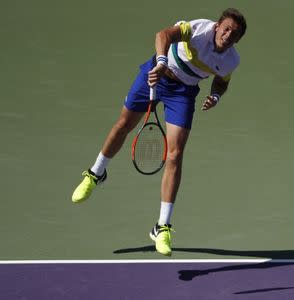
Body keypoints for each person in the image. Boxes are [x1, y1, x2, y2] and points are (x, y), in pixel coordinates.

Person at [71, 8, 247, 256]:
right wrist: (162, 62)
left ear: (237, 40)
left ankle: (162, 226)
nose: (228, 35)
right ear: (217, 26)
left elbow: (221, 79)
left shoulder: (232, 60)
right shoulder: (197, 29)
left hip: (183, 93)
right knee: (123, 125)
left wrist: (216, 95)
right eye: (226, 28)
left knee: (175, 154)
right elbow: (163, 34)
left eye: (234, 34)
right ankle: (95, 173)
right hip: (155, 74)